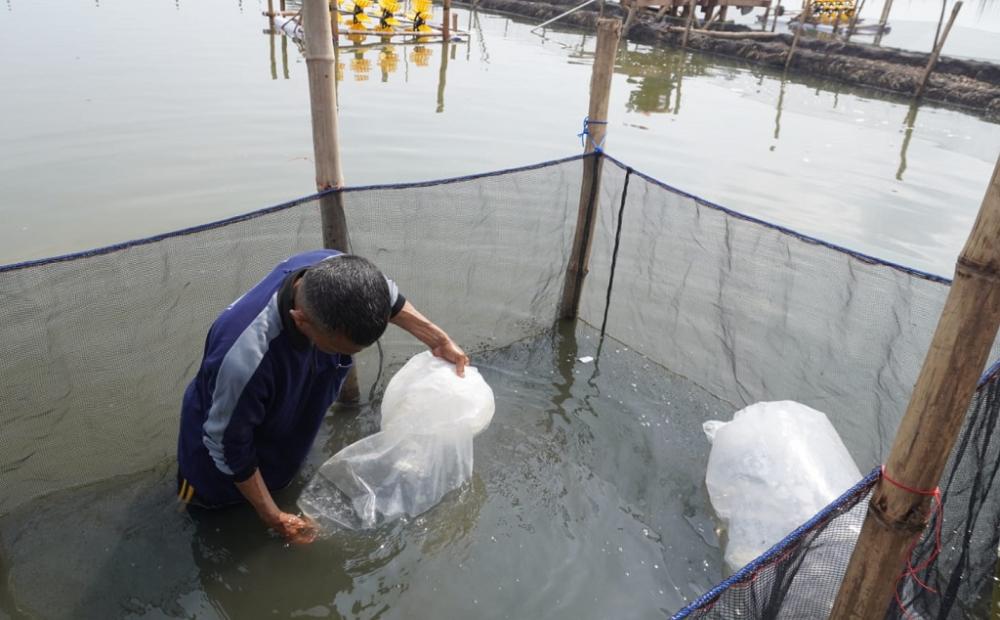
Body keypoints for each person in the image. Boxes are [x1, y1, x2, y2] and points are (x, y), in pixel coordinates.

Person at [176, 249, 468, 543]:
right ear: (301, 321)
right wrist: (273, 517)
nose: (346, 357)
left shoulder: (337, 270)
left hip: (284, 434)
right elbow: (227, 448)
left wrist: (439, 340)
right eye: (337, 349)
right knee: (209, 526)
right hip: (216, 475)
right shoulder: (245, 358)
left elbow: (388, 298)